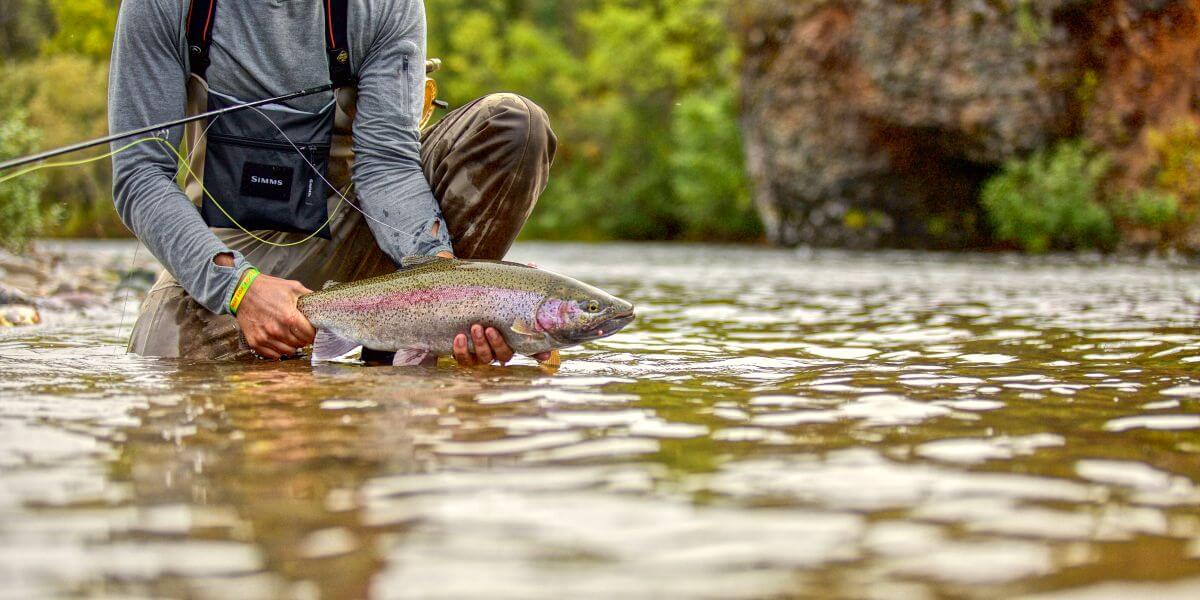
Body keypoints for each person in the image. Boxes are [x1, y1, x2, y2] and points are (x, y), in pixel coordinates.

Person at [109, 0, 556, 365]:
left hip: (358, 229)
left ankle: (409, 342)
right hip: (228, 253)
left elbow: (387, 165)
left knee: (513, 125)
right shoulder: (166, 7)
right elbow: (140, 176)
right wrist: (239, 289)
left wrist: (450, 282)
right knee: (166, 371)